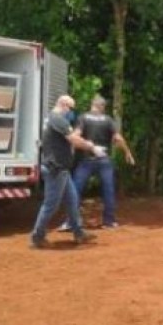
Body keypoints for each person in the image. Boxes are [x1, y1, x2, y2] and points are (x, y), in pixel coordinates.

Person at [30, 95, 100, 249]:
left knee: (72, 201)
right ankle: (37, 237)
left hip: (61, 169)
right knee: (51, 205)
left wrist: (86, 143)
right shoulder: (58, 119)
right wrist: (91, 147)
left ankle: (78, 233)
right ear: (64, 105)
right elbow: (73, 140)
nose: (72, 112)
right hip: (56, 168)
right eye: (71, 108)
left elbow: (72, 137)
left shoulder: (52, 119)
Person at [60, 94, 134, 230]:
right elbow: (118, 139)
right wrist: (127, 152)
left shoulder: (83, 117)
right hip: (104, 160)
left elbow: (76, 135)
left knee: (75, 190)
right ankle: (109, 221)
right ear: (102, 107)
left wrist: (70, 150)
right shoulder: (108, 120)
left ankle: (71, 221)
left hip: (85, 159)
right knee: (108, 190)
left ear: (92, 105)